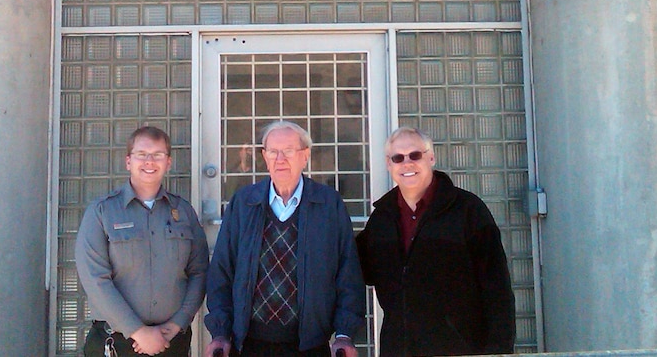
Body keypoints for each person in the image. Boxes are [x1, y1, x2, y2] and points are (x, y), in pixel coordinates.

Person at [204, 120, 366, 357]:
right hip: (250, 342)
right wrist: (220, 332)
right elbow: (222, 270)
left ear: (305, 156)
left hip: (308, 344)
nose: (280, 159)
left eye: (288, 151)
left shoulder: (328, 203)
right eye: (273, 152)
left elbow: (347, 272)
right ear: (264, 156)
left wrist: (344, 334)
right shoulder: (244, 202)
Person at [356, 127, 516, 357]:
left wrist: (499, 350)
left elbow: (497, 288)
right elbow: (353, 270)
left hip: (461, 350)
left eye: (415, 155)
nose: (407, 164)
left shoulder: (468, 210)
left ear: (431, 157)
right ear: (389, 164)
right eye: (398, 158)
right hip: (399, 350)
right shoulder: (381, 219)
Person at [76, 126, 209, 357]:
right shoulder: (102, 212)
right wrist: (137, 331)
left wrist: (179, 322)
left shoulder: (184, 212)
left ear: (168, 162)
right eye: (142, 154)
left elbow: (199, 272)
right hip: (117, 343)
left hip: (171, 342)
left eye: (158, 154)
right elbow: (95, 279)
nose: (150, 161)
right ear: (128, 161)